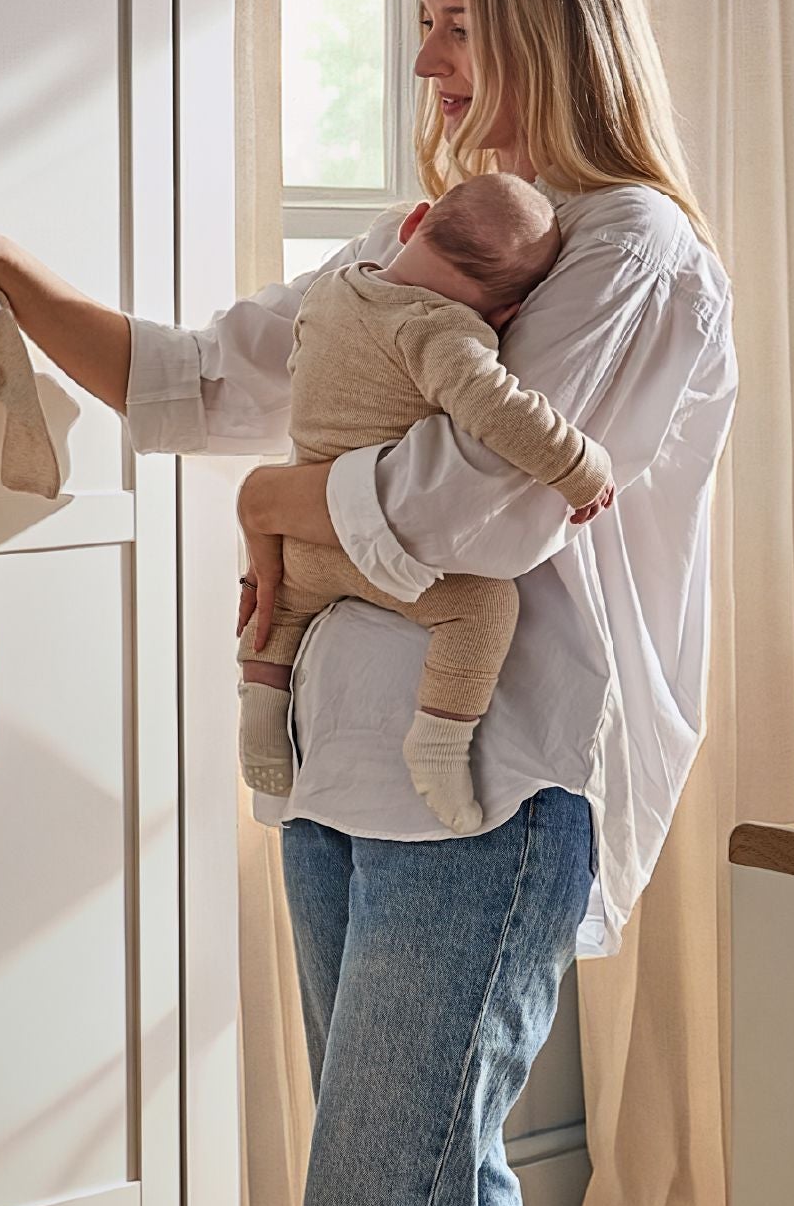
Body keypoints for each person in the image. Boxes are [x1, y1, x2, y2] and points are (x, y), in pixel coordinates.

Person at [0, 0, 737, 1206]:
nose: (426, 64)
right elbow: (196, 377)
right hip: (343, 774)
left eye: (458, 27)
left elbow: (487, 507)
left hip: (491, 792)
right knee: (437, 1199)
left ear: (549, 28)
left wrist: (279, 500)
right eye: (421, 26)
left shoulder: (630, 254)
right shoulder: (407, 257)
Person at [238, 171, 615, 835]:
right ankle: (438, 743)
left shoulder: (331, 290)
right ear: (508, 314)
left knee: (278, 606)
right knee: (484, 604)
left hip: (299, 539)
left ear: (412, 226)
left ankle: (260, 700)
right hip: (365, 544)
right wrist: (580, 466)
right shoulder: (440, 329)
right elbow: (498, 413)